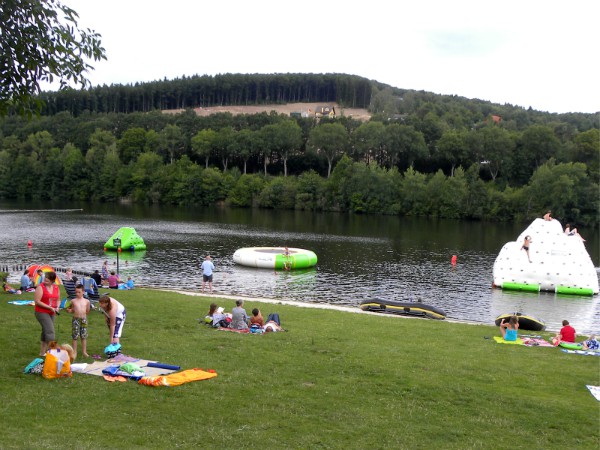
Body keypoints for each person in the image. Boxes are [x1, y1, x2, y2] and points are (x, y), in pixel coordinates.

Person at [33, 271, 60, 356]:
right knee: (50, 331)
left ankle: (42, 352)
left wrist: (57, 307)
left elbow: (58, 299)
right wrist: (50, 307)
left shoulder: (56, 287)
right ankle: (53, 351)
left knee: (45, 330)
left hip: (52, 312)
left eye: (48, 278)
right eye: (45, 277)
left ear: (52, 280)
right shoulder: (40, 287)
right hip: (41, 312)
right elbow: (37, 301)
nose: (46, 279)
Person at [66, 284, 90, 359]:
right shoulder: (73, 301)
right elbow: (72, 309)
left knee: (83, 336)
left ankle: (84, 351)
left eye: (79, 292)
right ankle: (75, 351)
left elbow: (87, 311)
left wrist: (84, 314)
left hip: (83, 319)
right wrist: (70, 310)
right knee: (75, 336)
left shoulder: (87, 301)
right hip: (76, 319)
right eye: (76, 292)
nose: (77, 294)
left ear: (83, 292)